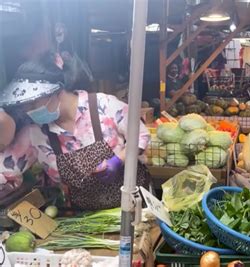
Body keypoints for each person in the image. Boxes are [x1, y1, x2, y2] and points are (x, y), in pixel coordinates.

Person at [0, 52, 151, 210]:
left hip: (134, 208)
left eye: (33, 104)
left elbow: (141, 135)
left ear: (56, 92)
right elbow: (6, 170)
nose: (29, 111)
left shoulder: (104, 105)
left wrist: (118, 160)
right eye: (26, 107)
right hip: (88, 218)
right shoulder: (35, 134)